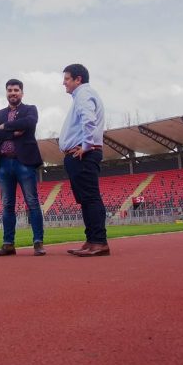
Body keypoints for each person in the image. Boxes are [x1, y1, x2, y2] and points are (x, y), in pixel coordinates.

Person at [0, 79, 46, 256]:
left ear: (22, 92)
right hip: (4, 163)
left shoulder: (30, 110)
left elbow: (29, 123)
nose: (13, 93)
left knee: (32, 202)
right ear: (6, 92)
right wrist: (13, 131)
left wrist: (4, 127)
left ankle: (38, 242)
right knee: (7, 205)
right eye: (10, 90)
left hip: (25, 162)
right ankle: (8, 244)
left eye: (16, 90)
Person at [58, 64, 109, 257]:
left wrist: (86, 146)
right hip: (79, 154)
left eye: (67, 79)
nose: (64, 82)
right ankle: (92, 240)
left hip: (83, 154)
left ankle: (99, 241)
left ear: (78, 79)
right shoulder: (81, 96)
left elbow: (88, 120)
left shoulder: (83, 95)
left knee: (90, 198)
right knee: (86, 200)